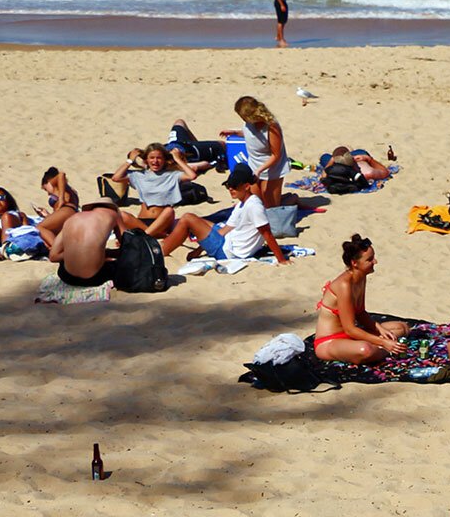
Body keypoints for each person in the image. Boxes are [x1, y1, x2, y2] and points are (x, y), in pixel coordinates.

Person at [162, 164, 290, 264]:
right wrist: (199, 250)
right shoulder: (242, 203)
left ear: (246, 186)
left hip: (227, 251)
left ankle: (162, 250)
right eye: (228, 185)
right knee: (200, 221)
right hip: (227, 241)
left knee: (187, 218)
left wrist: (281, 259)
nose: (230, 189)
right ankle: (165, 245)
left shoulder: (254, 206)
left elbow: (266, 233)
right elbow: (225, 230)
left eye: (234, 186)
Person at [311, 234, 408, 363]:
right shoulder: (344, 286)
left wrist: (379, 328)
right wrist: (382, 342)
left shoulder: (361, 277)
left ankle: (384, 348)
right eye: (370, 259)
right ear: (354, 263)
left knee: (401, 328)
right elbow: (350, 329)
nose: (375, 262)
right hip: (331, 340)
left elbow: (361, 313)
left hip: (352, 336)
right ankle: (386, 349)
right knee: (365, 350)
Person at [110, 143, 197, 236]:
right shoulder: (139, 175)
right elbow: (116, 178)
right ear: (146, 160)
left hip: (162, 222)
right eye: (152, 158)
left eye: (159, 158)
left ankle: (144, 236)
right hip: (142, 221)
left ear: (164, 160)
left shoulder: (172, 175)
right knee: (121, 214)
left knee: (169, 210)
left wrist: (177, 159)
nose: (155, 161)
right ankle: (148, 235)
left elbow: (192, 175)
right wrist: (129, 161)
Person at [220, 95, 291, 209]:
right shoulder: (249, 123)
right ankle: (282, 198)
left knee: (271, 208)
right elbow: (250, 134)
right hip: (254, 166)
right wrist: (234, 132)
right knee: (256, 203)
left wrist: (260, 170)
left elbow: (276, 155)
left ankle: (293, 199)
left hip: (271, 169)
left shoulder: (271, 127)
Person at [47, 194, 122, 286]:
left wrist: (77, 252)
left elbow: (53, 256)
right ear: (112, 208)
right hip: (94, 278)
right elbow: (127, 245)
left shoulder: (72, 218)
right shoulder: (113, 214)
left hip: (66, 276)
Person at [34, 167, 79, 247]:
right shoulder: (67, 189)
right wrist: (47, 215)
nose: (48, 193)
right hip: (70, 213)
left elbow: (61, 175)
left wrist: (61, 199)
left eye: (45, 189)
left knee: (40, 227)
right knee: (47, 237)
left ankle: (57, 250)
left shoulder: (56, 185)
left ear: (48, 181)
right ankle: (56, 249)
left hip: (66, 210)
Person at [0, 187, 27, 260]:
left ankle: (4, 249)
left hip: (10, 227)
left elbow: (27, 229)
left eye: (1, 197)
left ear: (8, 201)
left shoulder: (18, 214)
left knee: (7, 217)